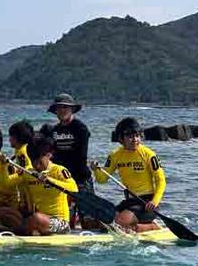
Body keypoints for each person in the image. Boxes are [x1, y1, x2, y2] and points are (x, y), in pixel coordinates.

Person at [92, 117, 166, 232]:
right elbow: (102, 179)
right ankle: (133, 225)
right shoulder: (115, 155)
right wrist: (95, 170)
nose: (135, 139)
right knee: (103, 222)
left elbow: (161, 180)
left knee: (118, 224)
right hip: (130, 202)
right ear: (121, 138)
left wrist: (154, 201)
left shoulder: (149, 155)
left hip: (146, 203)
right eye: (130, 136)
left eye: (137, 136)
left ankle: (152, 226)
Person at [43, 93, 94, 227]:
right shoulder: (54, 130)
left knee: (88, 220)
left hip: (81, 180)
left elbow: (81, 156)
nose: (62, 111)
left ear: (72, 109)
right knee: (66, 218)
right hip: (62, 179)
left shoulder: (81, 128)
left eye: (65, 107)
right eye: (59, 108)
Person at [19, 135, 78, 235]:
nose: (36, 165)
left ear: (49, 155)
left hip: (61, 223)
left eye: (39, 161)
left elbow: (74, 189)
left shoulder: (59, 170)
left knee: (36, 218)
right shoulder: (28, 174)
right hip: (38, 218)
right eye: (33, 161)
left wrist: (50, 180)